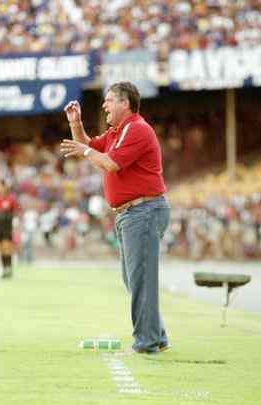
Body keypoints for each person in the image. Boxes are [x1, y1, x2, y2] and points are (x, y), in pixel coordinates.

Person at [60, 82, 170, 354]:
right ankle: (157, 336)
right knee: (133, 279)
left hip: (142, 211)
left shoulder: (137, 129)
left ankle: (146, 343)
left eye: (109, 101)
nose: (104, 105)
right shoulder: (119, 131)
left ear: (125, 104)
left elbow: (108, 162)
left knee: (140, 279)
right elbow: (90, 146)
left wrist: (85, 151)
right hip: (131, 213)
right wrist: (76, 124)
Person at [0, 181, 19, 278]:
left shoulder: (10, 199)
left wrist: (15, 225)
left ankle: (8, 267)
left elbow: (16, 212)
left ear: (4, 187)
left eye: (0, 186)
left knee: (7, 247)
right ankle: (4, 268)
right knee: (1, 248)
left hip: (7, 226)